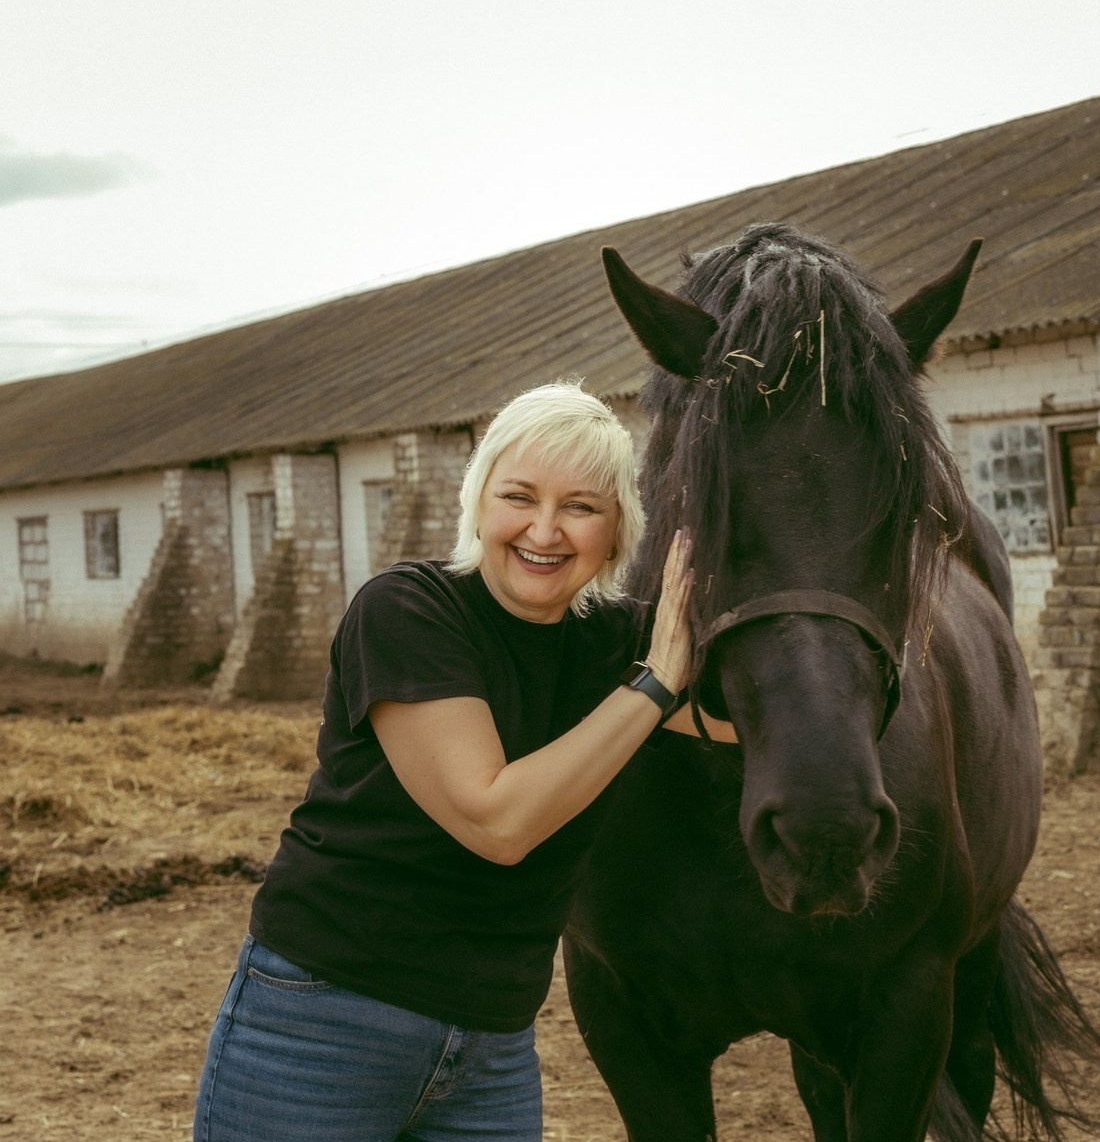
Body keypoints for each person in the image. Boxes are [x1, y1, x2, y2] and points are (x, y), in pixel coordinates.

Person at [193, 381, 724, 1142]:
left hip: (491, 1049)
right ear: (478, 504)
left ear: (617, 533)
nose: (545, 529)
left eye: (581, 506)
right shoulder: (407, 610)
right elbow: (495, 820)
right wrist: (656, 685)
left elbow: (762, 716)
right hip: (322, 1021)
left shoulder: (622, 640)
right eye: (519, 496)